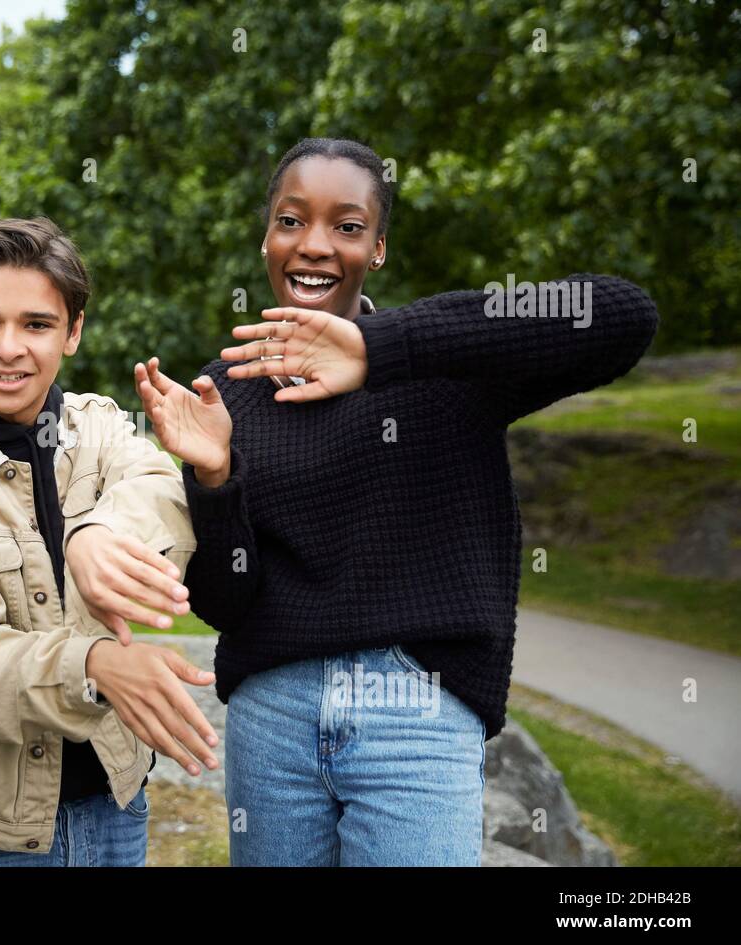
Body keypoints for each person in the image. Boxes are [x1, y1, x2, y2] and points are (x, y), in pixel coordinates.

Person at [134, 137, 659, 866]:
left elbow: (624, 316)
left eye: (347, 226)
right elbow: (225, 602)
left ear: (377, 248)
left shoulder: (447, 363)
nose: (314, 245)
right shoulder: (228, 389)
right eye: (292, 220)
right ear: (266, 236)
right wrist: (217, 479)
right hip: (271, 716)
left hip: (418, 710)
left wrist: (380, 347)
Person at [0, 217, 219, 866]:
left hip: (119, 799)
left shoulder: (95, 424)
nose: (8, 347)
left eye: (37, 325)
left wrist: (95, 534)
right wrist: (95, 665)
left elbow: (158, 484)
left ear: (73, 333)